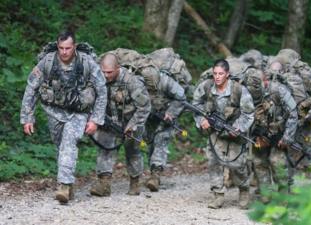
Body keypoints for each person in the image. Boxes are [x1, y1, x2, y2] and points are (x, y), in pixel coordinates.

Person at [20, 31, 107, 204]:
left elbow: (102, 90)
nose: (64, 52)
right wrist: (27, 118)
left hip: (79, 113)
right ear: (57, 46)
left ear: (74, 46)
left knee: (69, 143)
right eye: (61, 48)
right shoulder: (48, 62)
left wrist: (95, 119)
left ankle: (64, 186)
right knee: (61, 146)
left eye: (68, 48)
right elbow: (31, 89)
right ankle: (69, 183)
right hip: (54, 112)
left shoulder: (87, 62)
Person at [192, 59, 255, 209]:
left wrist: (238, 127)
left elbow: (248, 113)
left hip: (235, 131)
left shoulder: (239, 90)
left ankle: (244, 191)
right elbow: (195, 105)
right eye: (215, 73)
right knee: (214, 162)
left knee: (237, 165)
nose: (217, 77)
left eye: (221, 74)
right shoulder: (206, 86)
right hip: (215, 131)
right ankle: (218, 195)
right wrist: (202, 120)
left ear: (227, 74)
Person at [89, 53, 151, 197]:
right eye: (103, 71)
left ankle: (135, 183)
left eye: (109, 72)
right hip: (109, 121)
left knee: (133, 151)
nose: (105, 75)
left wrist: (133, 125)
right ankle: (104, 185)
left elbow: (145, 106)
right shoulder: (98, 79)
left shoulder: (131, 82)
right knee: (105, 147)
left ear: (118, 68)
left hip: (132, 121)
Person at [251, 67, 299, 200]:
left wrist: (287, 138)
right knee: (258, 162)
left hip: (278, 134)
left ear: (265, 80)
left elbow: (293, 113)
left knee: (277, 162)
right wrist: (253, 136)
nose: (254, 87)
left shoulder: (279, 90)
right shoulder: (249, 90)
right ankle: (266, 195)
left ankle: (283, 196)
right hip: (259, 134)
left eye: (257, 83)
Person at [139, 63, 187, 192]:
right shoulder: (137, 82)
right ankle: (153, 172)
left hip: (165, 117)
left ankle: (156, 175)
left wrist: (171, 113)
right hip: (147, 117)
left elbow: (181, 97)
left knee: (161, 140)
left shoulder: (166, 81)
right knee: (150, 143)